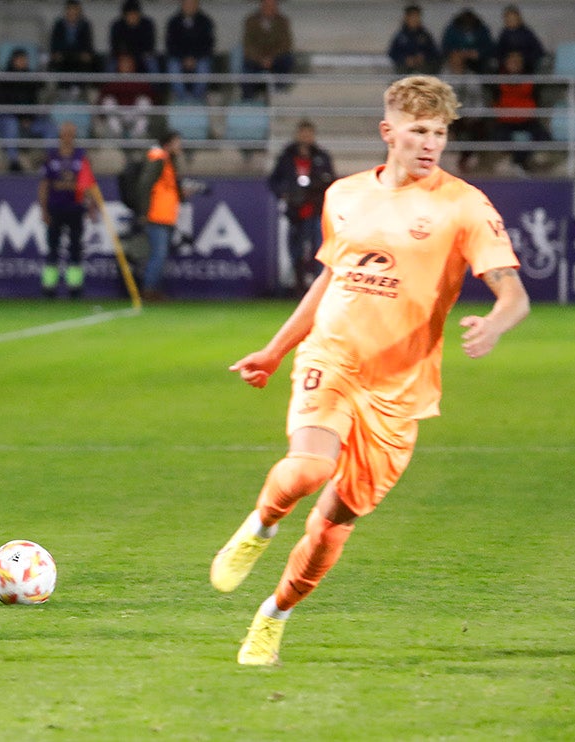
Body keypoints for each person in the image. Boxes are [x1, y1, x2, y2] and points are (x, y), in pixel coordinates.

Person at [211, 75, 530, 666]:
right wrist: (277, 348)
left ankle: (273, 616)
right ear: (389, 133)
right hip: (332, 357)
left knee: (333, 526)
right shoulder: (346, 195)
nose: (429, 144)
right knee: (309, 468)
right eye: (417, 132)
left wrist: (496, 323)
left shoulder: (463, 206)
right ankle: (260, 525)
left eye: (438, 133)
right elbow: (331, 278)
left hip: (400, 391)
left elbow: (513, 294)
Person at [268, 119, 335, 294]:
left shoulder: (321, 156)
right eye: (303, 133)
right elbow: (274, 181)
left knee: (318, 251)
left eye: (309, 133)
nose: (306, 137)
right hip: (295, 212)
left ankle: (318, 289)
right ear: (298, 134)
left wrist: (316, 188)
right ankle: (299, 288)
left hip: (315, 210)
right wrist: (285, 193)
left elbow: (331, 181)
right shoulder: (287, 156)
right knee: (295, 251)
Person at [37, 120, 101, 298]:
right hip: (55, 208)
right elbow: (44, 185)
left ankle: (75, 287)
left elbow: (88, 184)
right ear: (60, 136)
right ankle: (49, 287)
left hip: (75, 208)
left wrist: (92, 206)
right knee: (53, 248)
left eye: (71, 134)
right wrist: (43, 209)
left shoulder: (81, 157)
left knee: (75, 249)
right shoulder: (51, 157)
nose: (68, 137)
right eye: (65, 134)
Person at [134, 129, 182, 301]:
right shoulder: (158, 159)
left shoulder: (168, 161)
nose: (180, 145)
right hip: (156, 216)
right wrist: (144, 212)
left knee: (159, 255)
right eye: (177, 141)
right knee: (158, 254)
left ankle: (152, 290)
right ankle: (148, 291)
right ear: (168, 143)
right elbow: (145, 185)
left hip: (166, 216)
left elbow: (167, 189)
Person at [0, 47, 53, 172]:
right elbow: (1, 103)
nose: (24, 62)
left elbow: (35, 101)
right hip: (6, 119)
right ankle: (14, 162)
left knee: (49, 127)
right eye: (21, 59)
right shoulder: (3, 79)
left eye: (25, 60)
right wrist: (20, 118)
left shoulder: (31, 78)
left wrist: (29, 118)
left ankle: (50, 162)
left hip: (28, 120)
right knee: (11, 124)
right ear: (13, 60)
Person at [492, 50, 550, 173]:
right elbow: (495, 100)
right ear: (506, 63)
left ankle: (520, 163)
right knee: (499, 136)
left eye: (518, 62)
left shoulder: (530, 80)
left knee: (542, 136)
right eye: (512, 62)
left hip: (527, 120)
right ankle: (517, 162)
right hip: (506, 121)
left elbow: (536, 100)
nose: (515, 65)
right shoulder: (497, 79)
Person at [444, 49, 490, 172]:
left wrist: (474, 116)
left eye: (460, 59)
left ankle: (467, 160)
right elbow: (439, 102)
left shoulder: (472, 78)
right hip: (450, 116)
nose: (457, 62)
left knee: (478, 128)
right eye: (454, 58)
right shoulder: (443, 77)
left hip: (469, 115)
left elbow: (479, 101)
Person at [240, 0, 295, 100]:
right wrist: (261, 59)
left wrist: (271, 58)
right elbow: (248, 44)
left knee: (287, 60)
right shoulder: (251, 21)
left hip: (276, 58)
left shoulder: (283, 21)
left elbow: (286, 44)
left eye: (273, 5)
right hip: (256, 59)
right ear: (262, 5)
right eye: (267, 4)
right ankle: (248, 99)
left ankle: (279, 95)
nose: (270, 7)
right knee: (247, 65)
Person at [164, 0, 216, 103]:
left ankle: (197, 99)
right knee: (172, 65)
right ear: (182, 4)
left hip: (199, 58)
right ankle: (182, 99)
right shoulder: (173, 22)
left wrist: (194, 58)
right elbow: (170, 44)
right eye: (187, 3)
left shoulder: (206, 21)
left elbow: (208, 44)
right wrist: (184, 58)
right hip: (179, 58)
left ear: (197, 4)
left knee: (204, 66)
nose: (189, 6)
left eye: (192, 3)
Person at [98, 52, 154, 140]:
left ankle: (135, 136)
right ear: (118, 64)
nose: (126, 65)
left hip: (134, 112)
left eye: (128, 62)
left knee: (144, 101)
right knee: (108, 101)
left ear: (133, 65)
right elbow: (102, 98)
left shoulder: (140, 80)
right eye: (123, 62)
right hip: (118, 112)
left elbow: (151, 98)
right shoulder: (112, 80)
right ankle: (118, 135)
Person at [47, 0, 99, 85]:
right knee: (57, 61)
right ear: (66, 11)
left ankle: (82, 89)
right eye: (70, 9)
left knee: (89, 61)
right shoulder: (59, 24)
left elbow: (88, 43)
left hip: (78, 55)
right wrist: (55, 53)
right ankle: (61, 89)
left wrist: (87, 53)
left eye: (75, 10)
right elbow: (54, 42)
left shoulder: (85, 25)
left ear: (79, 11)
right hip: (63, 54)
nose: (72, 12)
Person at [387, 4, 440, 75]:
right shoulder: (400, 36)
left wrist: (424, 57)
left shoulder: (425, 35)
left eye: (417, 16)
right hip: (404, 69)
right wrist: (405, 59)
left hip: (423, 69)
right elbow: (392, 53)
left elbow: (435, 52)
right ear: (406, 18)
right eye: (412, 17)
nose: (415, 19)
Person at [108, 0, 157, 72]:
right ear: (124, 15)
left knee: (152, 64)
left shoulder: (147, 24)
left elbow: (150, 45)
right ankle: (107, 83)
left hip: (142, 56)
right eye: (130, 14)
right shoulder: (117, 26)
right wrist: (124, 56)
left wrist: (137, 56)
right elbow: (114, 45)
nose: (133, 17)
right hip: (123, 56)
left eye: (135, 14)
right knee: (111, 66)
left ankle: (156, 83)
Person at [440, 7, 494, 74]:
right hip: (456, 58)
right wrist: (456, 52)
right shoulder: (452, 29)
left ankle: (476, 84)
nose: (467, 26)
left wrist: (479, 53)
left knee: (489, 66)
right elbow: (445, 47)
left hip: (478, 61)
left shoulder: (482, 29)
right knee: (455, 60)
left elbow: (489, 47)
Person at [494, 5, 543, 74]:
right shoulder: (503, 34)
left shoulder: (527, 33)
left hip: (525, 65)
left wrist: (522, 58)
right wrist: (508, 58)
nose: (511, 20)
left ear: (519, 18)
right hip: (507, 65)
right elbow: (498, 52)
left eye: (513, 18)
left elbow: (538, 50)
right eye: (508, 18)